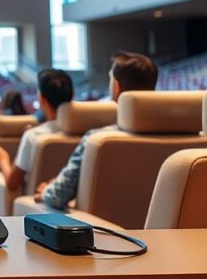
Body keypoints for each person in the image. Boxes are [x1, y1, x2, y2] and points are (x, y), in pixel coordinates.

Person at [35, 51, 158, 209]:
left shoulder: (96, 139)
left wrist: (46, 190)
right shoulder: (187, 136)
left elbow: (58, 196)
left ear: (116, 86)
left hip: (103, 231)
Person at [0, 69, 74, 194]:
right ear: (72, 96)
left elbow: (12, 183)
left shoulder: (33, 136)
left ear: (42, 99)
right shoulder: (85, 133)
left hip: (35, 205)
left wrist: (2, 159)